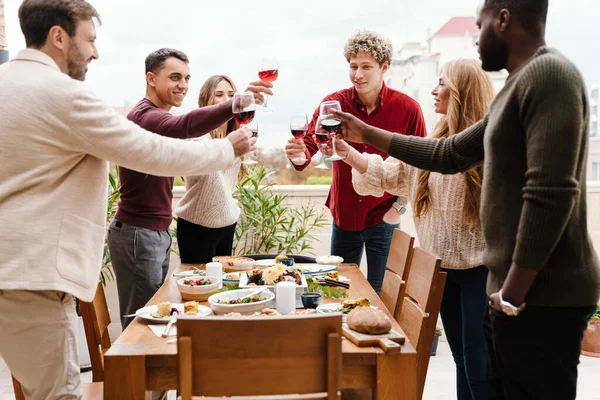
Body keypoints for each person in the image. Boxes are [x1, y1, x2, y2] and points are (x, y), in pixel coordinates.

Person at [332, 1, 600, 399]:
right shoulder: (517, 86)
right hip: (515, 291)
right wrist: (366, 134)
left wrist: (510, 295)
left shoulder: (549, 76)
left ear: (504, 19)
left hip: (542, 294)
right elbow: (448, 154)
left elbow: (550, 196)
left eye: (481, 25)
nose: (477, 38)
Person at [0, 1, 256, 399]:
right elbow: (152, 150)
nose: (95, 52)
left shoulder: (7, 83)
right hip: (32, 280)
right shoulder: (64, 95)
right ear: (57, 36)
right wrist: (226, 150)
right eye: (90, 40)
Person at [330, 59, 494, 400]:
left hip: (481, 271)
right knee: (463, 359)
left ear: (462, 93)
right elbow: (392, 174)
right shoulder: (434, 140)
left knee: (479, 363)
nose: (435, 90)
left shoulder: (485, 147)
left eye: (442, 84)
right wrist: (346, 153)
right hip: (442, 269)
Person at [108, 51, 272, 329]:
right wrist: (238, 102)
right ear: (151, 79)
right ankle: (133, 371)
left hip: (153, 232)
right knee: (143, 325)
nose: (183, 84)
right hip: (139, 234)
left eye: (186, 78)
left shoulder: (159, 119)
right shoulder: (146, 116)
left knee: (154, 318)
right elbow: (185, 125)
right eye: (174, 77)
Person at [284, 30, 427, 293]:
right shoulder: (332, 105)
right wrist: (296, 152)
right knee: (337, 289)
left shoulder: (408, 109)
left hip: (384, 216)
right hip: (345, 215)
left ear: (384, 67)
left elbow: (419, 167)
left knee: (380, 296)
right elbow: (307, 151)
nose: (357, 74)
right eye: (353, 66)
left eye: (366, 67)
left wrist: (398, 209)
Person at [175, 75, 244, 263]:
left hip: (227, 222)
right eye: (219, 95)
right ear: (207, 101)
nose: (227, 100)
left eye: (231, 95)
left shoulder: (235, 135)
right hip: (197, 226)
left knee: (221, 286)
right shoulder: (197, 136)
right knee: (197, 285)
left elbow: (227, 185)